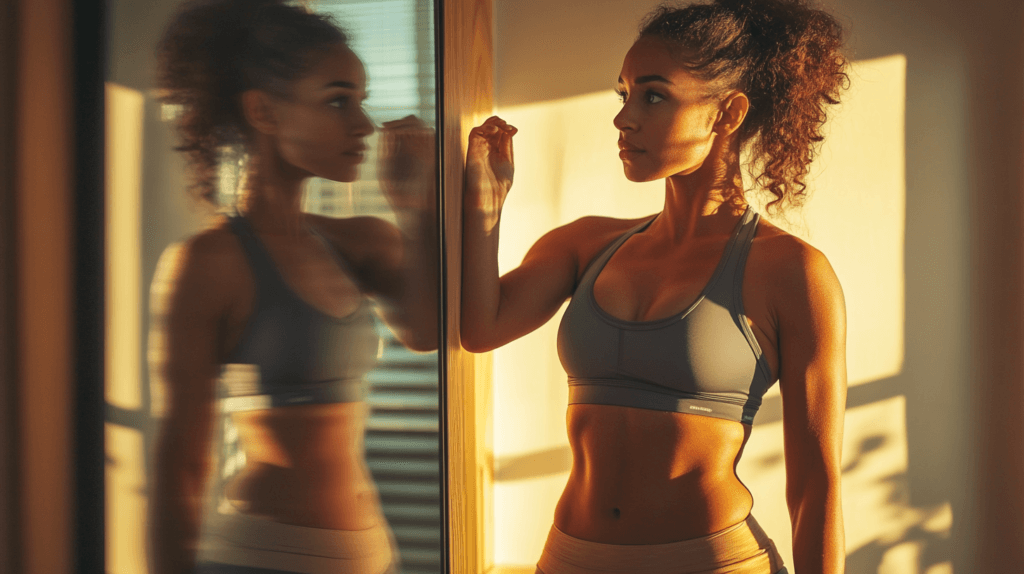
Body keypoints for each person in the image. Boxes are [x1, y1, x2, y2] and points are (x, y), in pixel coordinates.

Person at [461, 0, 848, 572]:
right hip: (569, 558)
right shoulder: (585, 245)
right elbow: (481, 328)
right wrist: (484, 206)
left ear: (728, 113)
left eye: (653, 94)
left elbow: (816, 487)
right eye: (624, 94)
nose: (623, 118)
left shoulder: (792, 273)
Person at [147, 1, 438, 573]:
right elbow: (180, 466)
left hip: (372, 556)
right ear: (264, 111)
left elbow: (428, 331)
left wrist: (415, 209)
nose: (364, 124)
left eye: (360, 99)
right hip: (264, 558)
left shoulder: (361, 243)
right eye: (338, 101)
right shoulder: (209, 264)